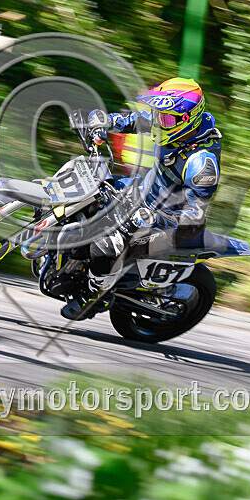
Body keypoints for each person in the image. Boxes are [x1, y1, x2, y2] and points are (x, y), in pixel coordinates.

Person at [61, 77, 222, 320]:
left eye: (164, 118)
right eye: (158, 114)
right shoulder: (171, 123)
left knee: (106, 245)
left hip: (166, 221)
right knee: (84, 191)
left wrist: (150, 217)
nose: (157, 121)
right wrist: (104, 121)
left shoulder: (202, 165)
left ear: (186, 119)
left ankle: (95, 296)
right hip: (140, 192)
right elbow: (136, 120)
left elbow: (193, 221)